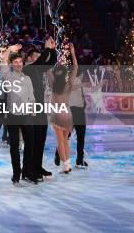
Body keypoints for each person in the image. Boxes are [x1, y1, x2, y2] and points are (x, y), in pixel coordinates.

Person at [1, 44, 39, 185]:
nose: (18, 64)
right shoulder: (8, 76)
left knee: (30, 143)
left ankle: (27, 172)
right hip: (13, 116)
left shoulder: (27, 79)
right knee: (14, 146)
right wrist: (10, 49)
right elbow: (3, 62)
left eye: (20, 62)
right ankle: (16, 174)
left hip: (26, 115)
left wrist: (33, 109)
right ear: (12, 64)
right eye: (15, 62)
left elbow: (32, 97)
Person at [23, 38, 57, 180]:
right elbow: (42, 60)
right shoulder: (27, 69)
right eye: (36, 57)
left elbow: (51, 62)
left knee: (41, 139)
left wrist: (53, 50)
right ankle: (27, 170)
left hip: (41, 108)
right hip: (31, 111)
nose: (39, 60)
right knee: (32, 141)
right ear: (30, 58)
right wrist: (47, 48)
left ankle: (37, 166)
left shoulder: (38, 69)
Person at [50, 43, 78, 174]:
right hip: (67, 113)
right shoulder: (69, 84)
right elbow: (76, 68)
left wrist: (50, 50)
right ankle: (68, 164)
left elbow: (47, 68)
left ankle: (64, 165)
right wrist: (72, 53)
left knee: (60, 141)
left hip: (57, 113)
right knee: (65, 140)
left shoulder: (53, 83)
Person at [55, 66, 88, 169]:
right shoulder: (72, 80)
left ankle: (63, 156)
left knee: (70, 135)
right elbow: (71, 88)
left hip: (77, 110)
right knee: (76, 136)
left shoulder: (73, 80)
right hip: (73, 110)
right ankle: (77, 159)